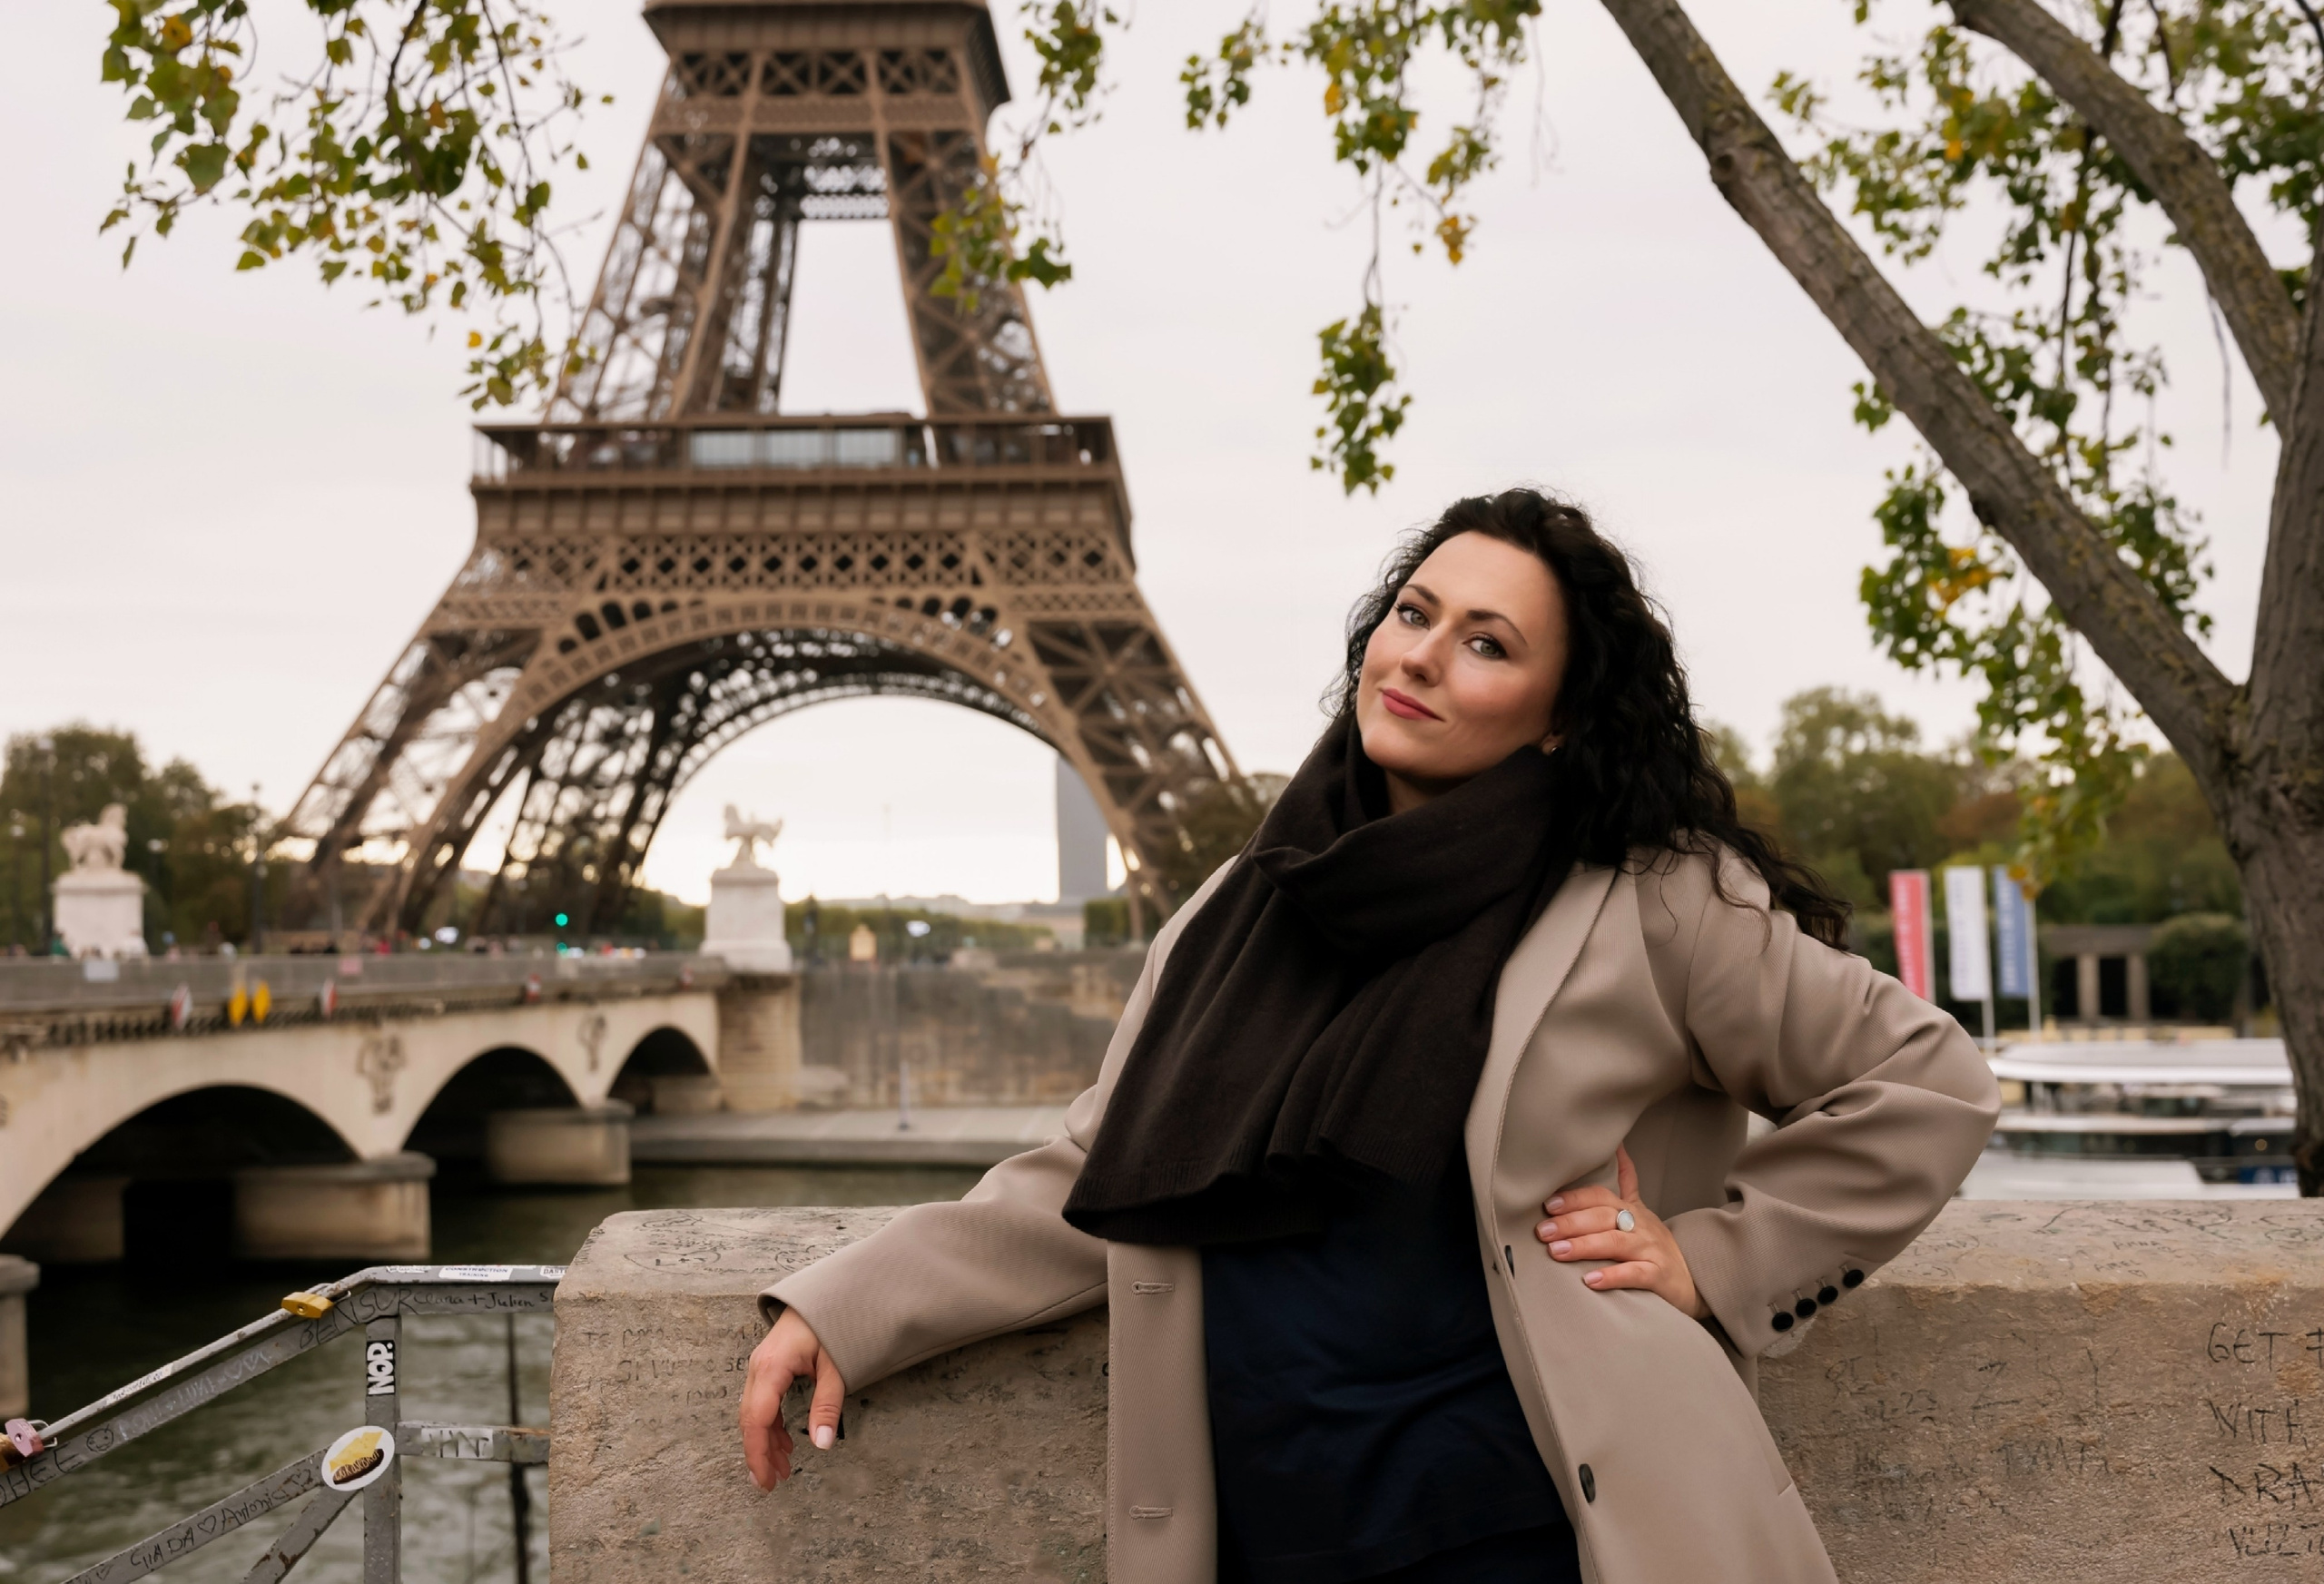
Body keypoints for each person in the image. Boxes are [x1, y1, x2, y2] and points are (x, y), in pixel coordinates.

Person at [737, 489, 2000, 1583]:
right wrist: (850, 1305)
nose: (1425, 657)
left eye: (1488, 643)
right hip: (1267, 1533)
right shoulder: (1243, 907)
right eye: (1415, 612)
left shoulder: (1648, 898)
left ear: (1560, 713)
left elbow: (1927, 1081)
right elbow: (1093, 1177)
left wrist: (1716, 1257)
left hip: (1529, 1526)